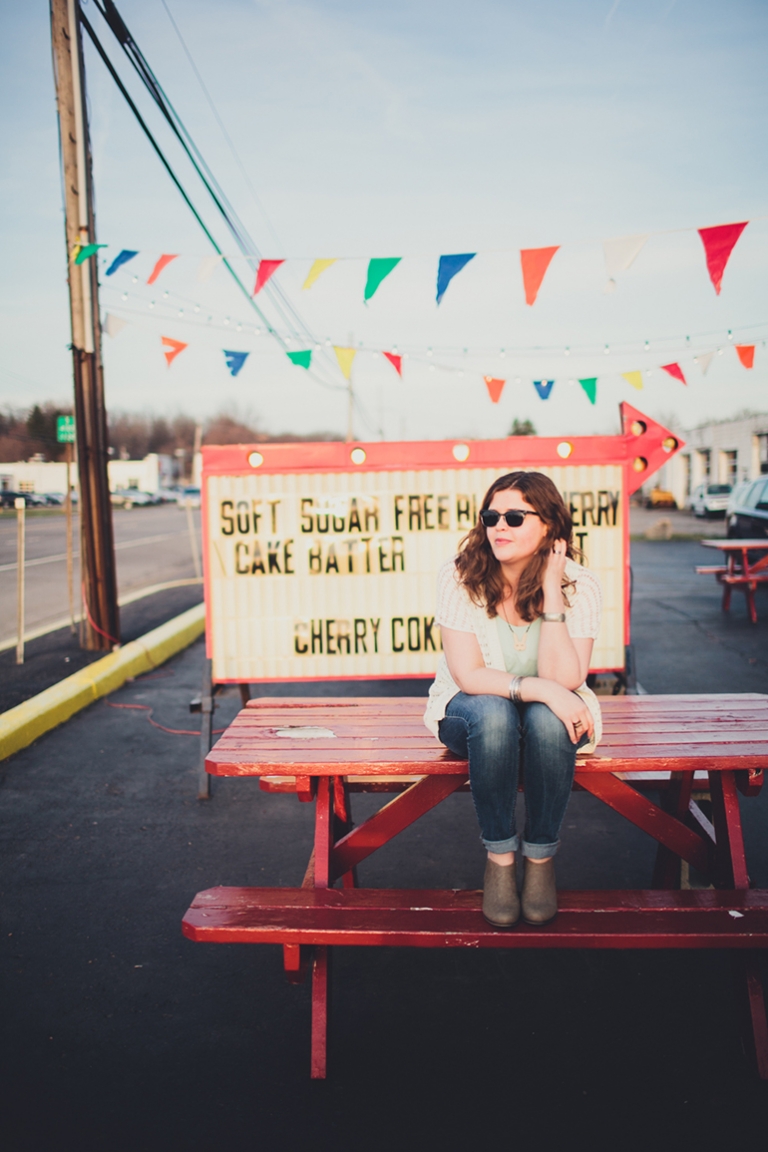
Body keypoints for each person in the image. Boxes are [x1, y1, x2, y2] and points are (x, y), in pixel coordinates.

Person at [423, 471, 602, 928]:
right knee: (497, 714)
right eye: (491, 516)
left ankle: (540, 858)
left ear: (550, 528)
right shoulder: (461, 575)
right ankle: (500, 857)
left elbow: (566, 677)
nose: (499, 526)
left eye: (515, 516)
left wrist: (551, 595)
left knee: (546, 721)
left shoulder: (579, 585)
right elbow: (469, 675)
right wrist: (540, 689)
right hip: (471, 710)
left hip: (550, 715)